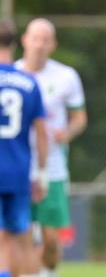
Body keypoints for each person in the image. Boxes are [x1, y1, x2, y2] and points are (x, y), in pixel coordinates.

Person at [15, 19, 87, 277]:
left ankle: (47, 271)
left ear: (53, 45)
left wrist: (66, 133)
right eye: (35, 38)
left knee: (50, 240)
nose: (39, 45)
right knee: (17, 235)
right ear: (25, 40)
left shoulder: (66, 76)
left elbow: (80, 118)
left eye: (45, 39)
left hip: (53, 169)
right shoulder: (11, 76)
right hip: (18, 167)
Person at [0, 19, 48, 277]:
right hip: (19, 171)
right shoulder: (29, 83)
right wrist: (41, 173)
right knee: (20, 236)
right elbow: (42, 134)